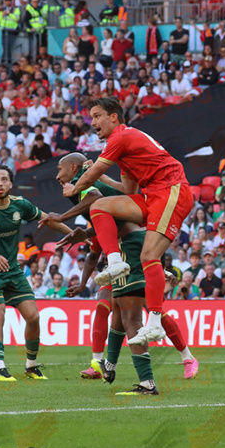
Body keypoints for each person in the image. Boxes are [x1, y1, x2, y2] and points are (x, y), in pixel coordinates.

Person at [45, 153, 198, 380]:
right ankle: (106, 365)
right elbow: (100, 236)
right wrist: (85, 237)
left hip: (133, 247)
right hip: (128, 246)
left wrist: (62, 217)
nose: (57, 176)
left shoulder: (86, 187)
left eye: (60, 169)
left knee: (134, 314)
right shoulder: (92, 200)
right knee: (115, 309)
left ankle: (168, 368)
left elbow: (95, 198)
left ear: (74, 168)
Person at [61, 97, 194, 345]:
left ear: (114, 117)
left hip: (171, 190)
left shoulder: (120, 138)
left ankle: (154, 324)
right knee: (100, 206)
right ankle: (115, 262)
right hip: (151, 195)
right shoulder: (124, 148)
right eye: (91, 117)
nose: (93, 123)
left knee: (148, 256)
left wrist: (74, 188)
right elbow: (127, 189)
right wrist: (102, 178)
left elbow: (92, 175)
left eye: (97, 116)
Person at [0, 164, 71, 381]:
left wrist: (75, 234)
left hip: (13, 271)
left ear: (11, 184)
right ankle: (0, 368)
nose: (0, 183)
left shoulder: (19, 205)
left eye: (4, 179)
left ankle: (31, 366)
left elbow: (47, 219)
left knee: (33, 316)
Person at [76, 219, 166, 395]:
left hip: (129, 257)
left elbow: (107, 223)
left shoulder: (102, 206)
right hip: (132, 257)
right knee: (118, 316)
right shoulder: (119, 204)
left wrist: (81, 230)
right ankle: (109, 366)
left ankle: (147, 382)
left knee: (131, 319)